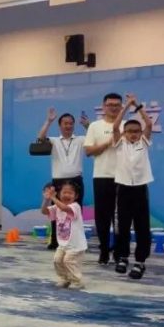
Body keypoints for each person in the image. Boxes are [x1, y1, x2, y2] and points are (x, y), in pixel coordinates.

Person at [110, 94, 154, 280]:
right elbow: (115, 127)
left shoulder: (143, 143)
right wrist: (126, 106)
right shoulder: (119, 144)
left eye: (136, 131)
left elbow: (149, 124)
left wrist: (137, 105)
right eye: (129, 131)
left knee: (142, 227)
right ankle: (122, 257)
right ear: (124, 133)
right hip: (123, 189)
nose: (133, 134)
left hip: (140, 189)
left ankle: (140, 261)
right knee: (123, 226)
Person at [84, 93, 125, 265]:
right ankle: (104, 250)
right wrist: (108, 142)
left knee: (121, 217)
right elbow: (88, 151)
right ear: (104, 107)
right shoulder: (95, 126)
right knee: (102, 216)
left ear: (121, 107)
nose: (113, 108)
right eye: (110, 105)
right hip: (102, 176)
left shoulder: (126, 125)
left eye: (117, 105)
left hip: (123, 177)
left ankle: (119, 251)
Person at [37, 107, 86, 250]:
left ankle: (75, 240)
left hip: (76, 181)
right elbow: (40, 138)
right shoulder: (53, 141)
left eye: (71, 123)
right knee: (56, 212)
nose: (68, 126)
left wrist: (87, 126)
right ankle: (55, 241)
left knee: (75, 213)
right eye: (65, 123)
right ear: (60, 125)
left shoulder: (80, 139)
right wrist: (49, 121)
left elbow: (93, 139)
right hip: (58, 181)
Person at [41, 182, 87, 289]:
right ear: (59, 194)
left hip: (75, 245)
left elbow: (64, 208)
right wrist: (47, 199)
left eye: (70, 193)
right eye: (64, 192)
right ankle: (65, 278)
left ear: (76, 196)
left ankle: (77, 281)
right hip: (63, 244)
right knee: (57, 260)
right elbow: (44, 211)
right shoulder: (57, 207)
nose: (67, 195)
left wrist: (53, 198)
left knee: (68, 261)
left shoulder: (75, 206)